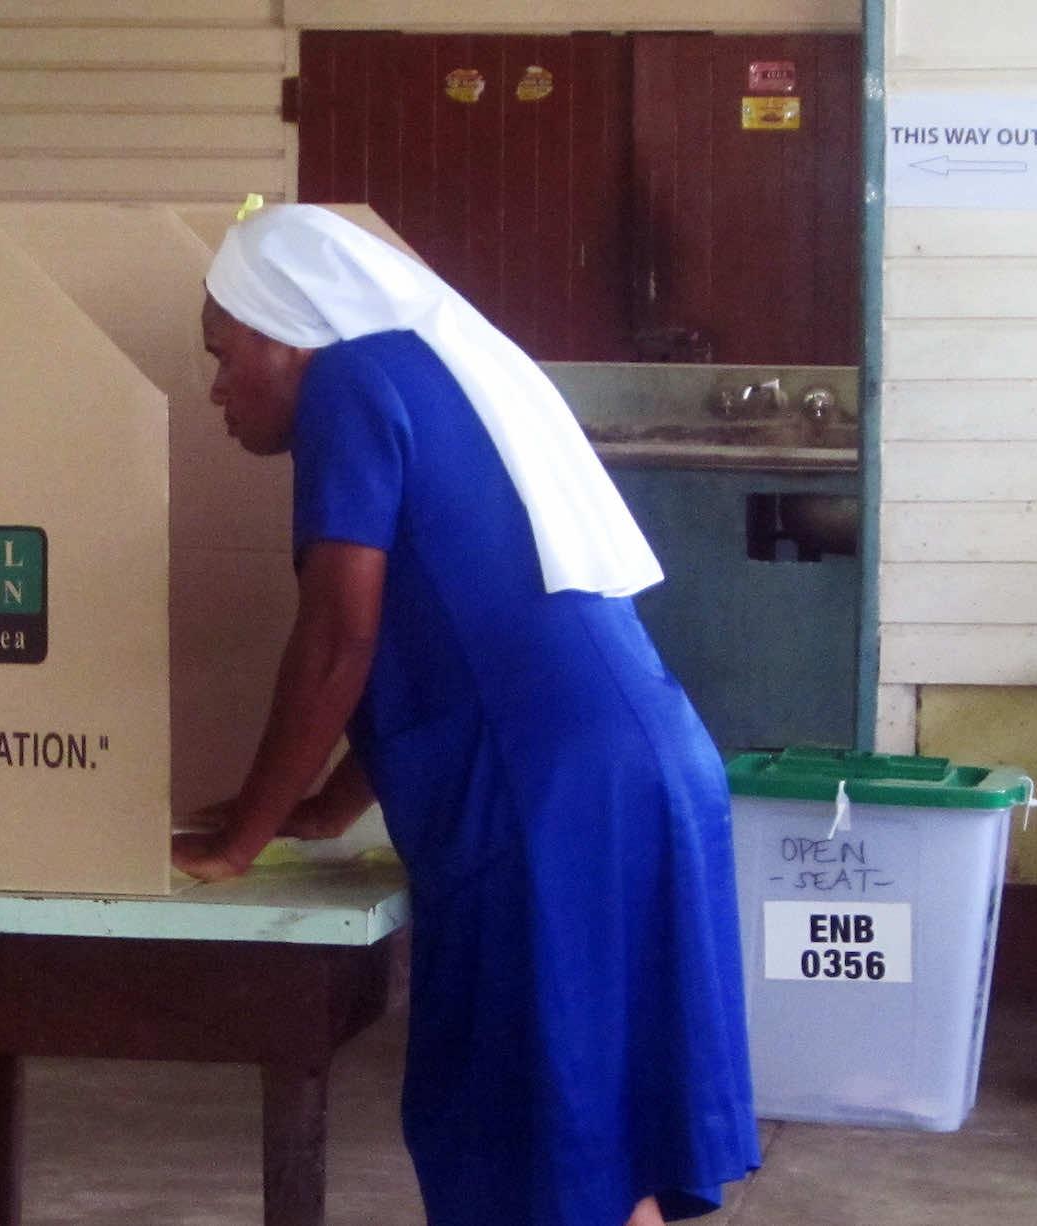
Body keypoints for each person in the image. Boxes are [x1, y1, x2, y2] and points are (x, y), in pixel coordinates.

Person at [170, 203, 760, 1226]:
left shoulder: (350, 384)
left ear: (290, 333)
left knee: (528, 1153)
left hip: (545, 801)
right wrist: (326, 805)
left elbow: (338, 637)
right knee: (601, 1153)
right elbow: (451, 633)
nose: (216, 388)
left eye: (224, 355)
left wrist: (242, 838)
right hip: (643, 772)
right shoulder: (428, 374)